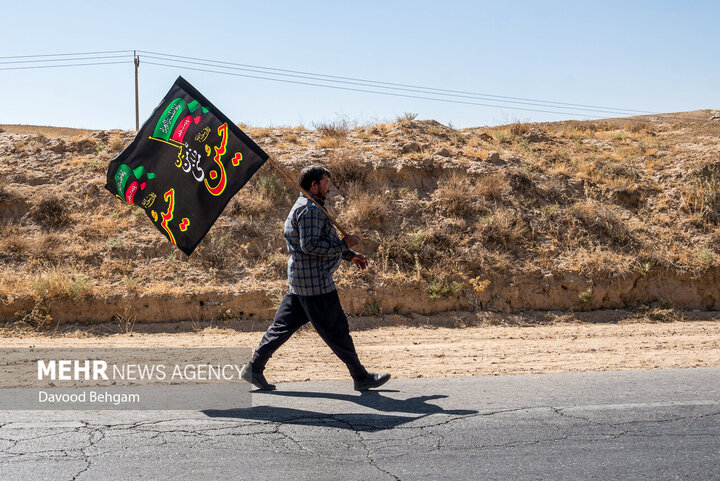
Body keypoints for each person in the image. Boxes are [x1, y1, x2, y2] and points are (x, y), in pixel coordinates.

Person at [241, 165, 391, 392]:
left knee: (281, 327)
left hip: (300, 282)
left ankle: (254, 368)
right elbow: (309, 245)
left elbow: (318, 241)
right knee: (337, 330)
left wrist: (348, 255)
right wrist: (344, 245)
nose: (329, 187)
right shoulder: (310, 209)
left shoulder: (307, 206)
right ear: (314, 185)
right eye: (326, 183)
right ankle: (360, 377)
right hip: (315, 284)